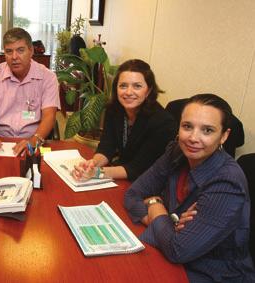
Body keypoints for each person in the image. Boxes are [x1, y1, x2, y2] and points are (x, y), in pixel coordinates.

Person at [124, 94, 255, 282]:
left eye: (207, 130)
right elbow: (133, 194)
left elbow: (178, 250)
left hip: (212, 273)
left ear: (224, 136)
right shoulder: (177, 152)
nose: (193, 138)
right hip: (171, 258)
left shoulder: (228, 182)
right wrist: (170, 223)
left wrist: (154, 205)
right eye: (187, 126)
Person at [72, 59, 176, 182]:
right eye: (123, 86)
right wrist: (92, 164)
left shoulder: (162, 123)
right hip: (121, 174)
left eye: (137, 86)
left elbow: (138, 168)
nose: (128, 92)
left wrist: (97, 173)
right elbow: (107, 147)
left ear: (148, 91)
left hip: (149, 181)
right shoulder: (114, 110)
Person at [0, 27, 60, 155]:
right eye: (9, 51)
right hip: (0, 141)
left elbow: (49, 116)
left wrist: (33, 141)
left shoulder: (48, 77)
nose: (14, 57)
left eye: (20, 50)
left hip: (34, 139)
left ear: (31, 51)